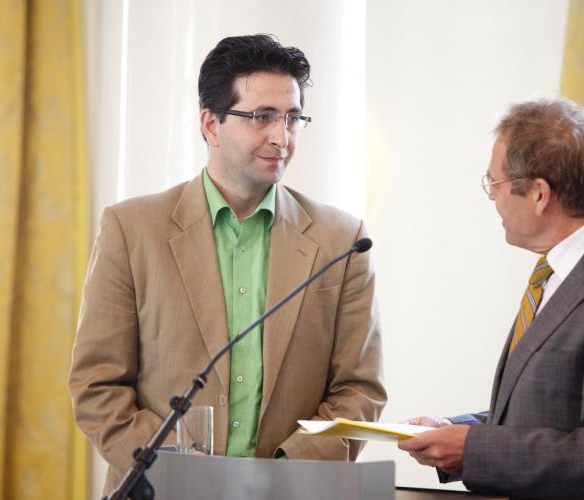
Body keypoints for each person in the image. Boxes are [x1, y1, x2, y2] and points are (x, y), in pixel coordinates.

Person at [69, 34, 386, 493]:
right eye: (262, 117)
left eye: (293, 118)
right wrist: (181, 470)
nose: (282, 136)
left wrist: (278, 475)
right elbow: (97, 386)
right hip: (163, 490)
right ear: (211, 124)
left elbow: (360, 393)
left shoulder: (343, 241)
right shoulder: (131, 228)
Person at [399, 98, 584, 499]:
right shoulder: (564, 268)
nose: (491, 198)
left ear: (538, 194)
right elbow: (549, 415)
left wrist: (473, 449)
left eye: (494, 184)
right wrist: (456, 433)